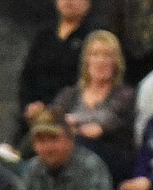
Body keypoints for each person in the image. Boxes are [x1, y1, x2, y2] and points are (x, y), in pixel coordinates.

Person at [50, 30, 136, 183]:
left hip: (110, 157)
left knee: (75, 146)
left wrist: (71, 124)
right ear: (86, 60)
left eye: (107, 55)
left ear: (116, 61)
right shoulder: (69, 94)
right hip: (70, 154)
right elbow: (52, 122)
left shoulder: (125, 95)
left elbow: (98, 129)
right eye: (95, 54)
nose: (100, 61)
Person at [16, 0, 103, 144]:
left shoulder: (96, 36)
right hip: (35, 119)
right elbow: (27, 77)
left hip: (75, 121)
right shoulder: (44, 36)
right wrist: (30, 105)